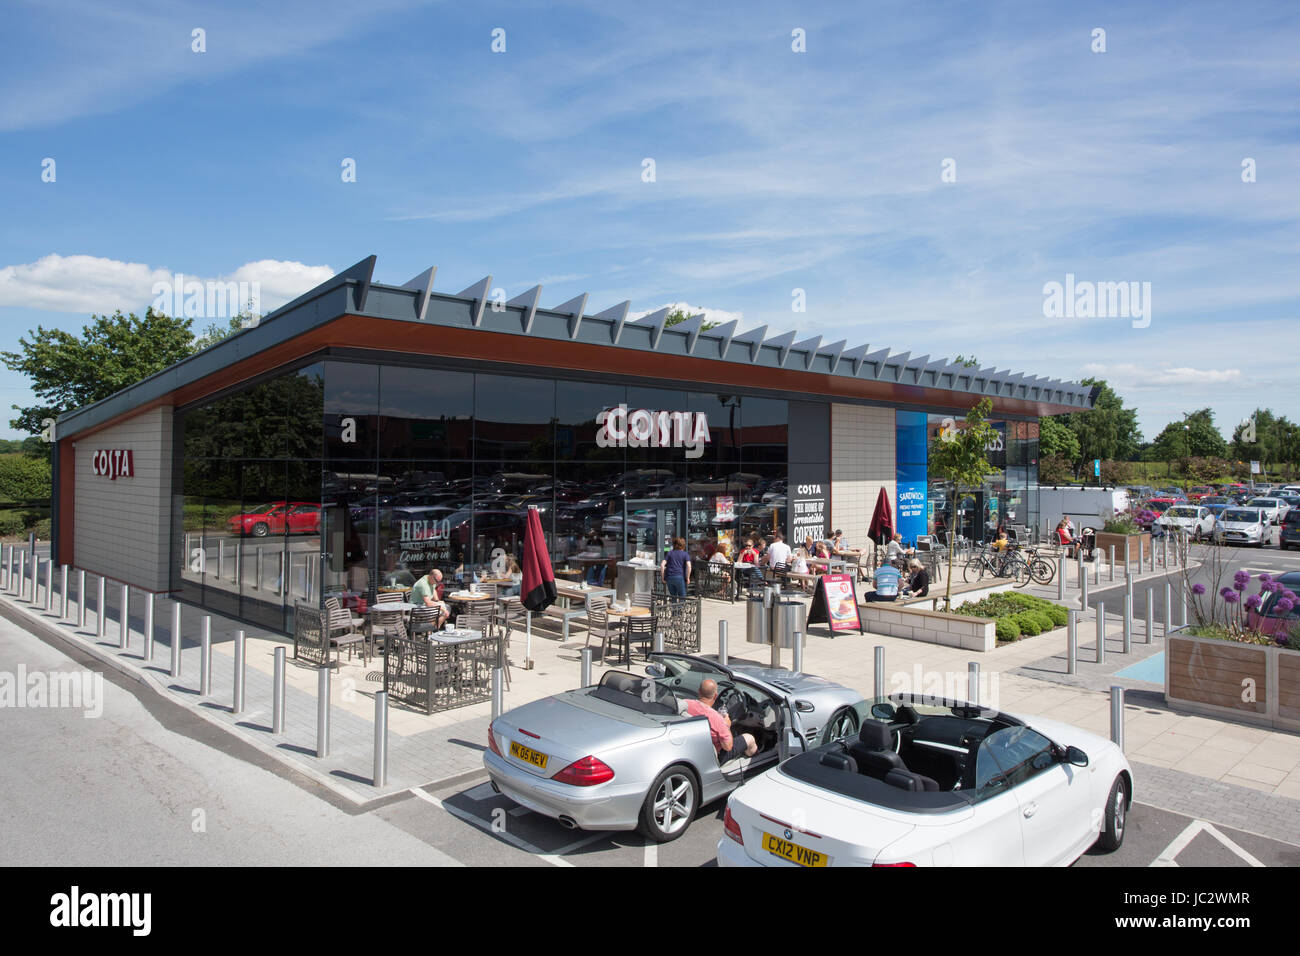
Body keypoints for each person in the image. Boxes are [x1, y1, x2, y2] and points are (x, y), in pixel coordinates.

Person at [686, 678, 757, 763]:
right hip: (713, 756)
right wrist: (726, 725)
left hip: (691, 750)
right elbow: (728, 747)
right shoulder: (717, 719)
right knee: (749, 738)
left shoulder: (685, 704)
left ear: (699, 691)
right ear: (715, 696)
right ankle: (755, 761)